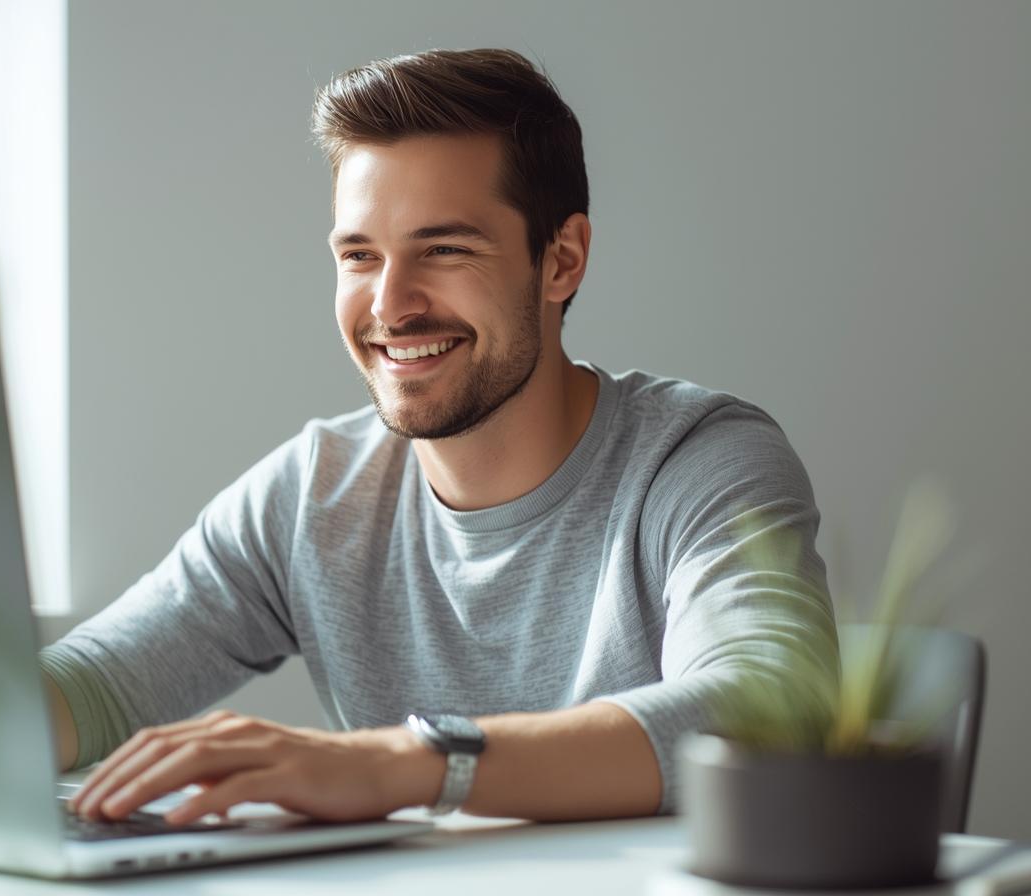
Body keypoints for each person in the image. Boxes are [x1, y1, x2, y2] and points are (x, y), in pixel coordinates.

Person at [42, 48, 839, 827]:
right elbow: (97, 684)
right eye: (360, 256)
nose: (392, 306)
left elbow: (765, 707)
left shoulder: (699, 460)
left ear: (561, 261)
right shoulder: (316, 492)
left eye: (444, 250)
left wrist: (403, 766)